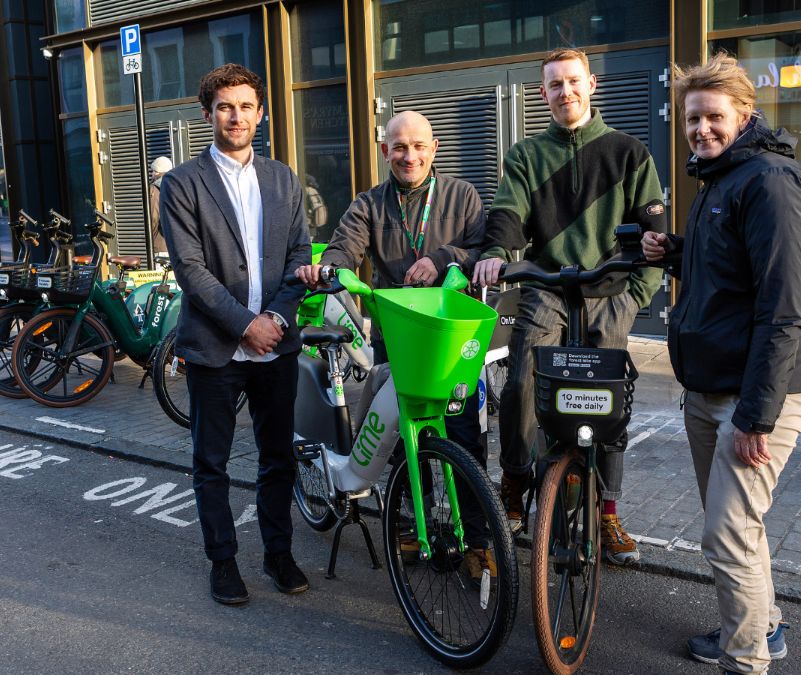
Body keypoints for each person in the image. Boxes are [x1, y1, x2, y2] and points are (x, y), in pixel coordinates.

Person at [642, 52, 801, 674]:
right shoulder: (723, 177)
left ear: (744, 114)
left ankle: (745, 663)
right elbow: (727, 265)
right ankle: (760, 628)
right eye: (693, 119)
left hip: (753, 396)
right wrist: (675, 252)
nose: (701, 129)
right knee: (739, 529)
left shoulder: (770, 180)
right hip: (709, 388)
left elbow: (784, 309)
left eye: (713, 116)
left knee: (726, 534)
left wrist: (756, 417)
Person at [471, 48, 666, 565]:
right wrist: (494, 254)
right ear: (543, 93)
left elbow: (656, 235)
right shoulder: (526, 155)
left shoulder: (629, 152)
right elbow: (508, 212)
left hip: (609, 294)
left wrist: (637, 295)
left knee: (611, 401)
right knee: (519, 384)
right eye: (555, 85)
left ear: (592, 85)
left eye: (573, 82)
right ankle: (514, 482)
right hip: (548, 290)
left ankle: (608, 510)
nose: (565, 92)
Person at [293, 110, 493, 577]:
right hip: (397, 338)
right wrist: (330, 269)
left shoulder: (462, 196)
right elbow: (345, 247)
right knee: (403, 438)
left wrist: (442, 259)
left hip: (452, 341)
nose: (410, 156)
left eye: (419, 146)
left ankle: (479, 542)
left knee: (466, 437)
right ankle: (408, 524)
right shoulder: (369, 203)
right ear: (385, 151)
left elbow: (484, 247)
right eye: (399, 147)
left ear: (434, 148)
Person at [159, 64, 312, 606]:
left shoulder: (282, 178)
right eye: (226, 107)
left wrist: (276, 319)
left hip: (277, 347)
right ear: (208, 114)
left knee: (278, 458)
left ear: (261, 113)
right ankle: (223, 561)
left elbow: (300, 256)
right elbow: (191, 270)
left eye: (246, 106)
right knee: (212, 463)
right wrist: (246, 324)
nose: (237, 116)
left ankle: (277, 554)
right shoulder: (181, 184)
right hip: (216, 347)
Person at [148, 156, 172, 256]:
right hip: (177, 245)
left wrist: (151, 238)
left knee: (161, 272)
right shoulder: (175, 186)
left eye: (153, 171)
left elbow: (153, 216)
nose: (152, 174)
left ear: (158, 172)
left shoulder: (154, 189)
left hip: (160, 245)